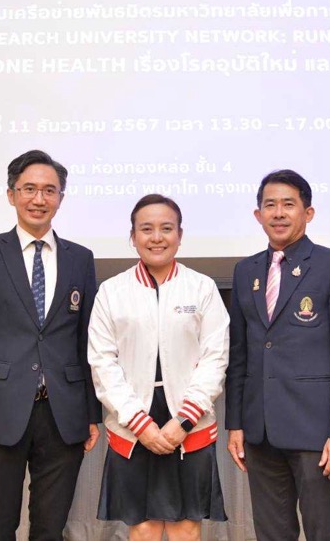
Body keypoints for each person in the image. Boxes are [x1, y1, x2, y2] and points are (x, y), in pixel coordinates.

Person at [0, 150, 101, 541]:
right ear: (11, 194)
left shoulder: (80, 258)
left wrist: (91, 413)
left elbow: (87, 342)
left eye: (49, 190)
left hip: (63, 414)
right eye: (29, 189)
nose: (39, 199)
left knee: (50, 529)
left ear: (60, 198)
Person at [225, 170, 330, 541]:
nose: (278, 213)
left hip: (314, 431)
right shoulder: (245, 271)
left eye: (288, 204)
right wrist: (236, 423)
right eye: (270, 205)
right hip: (259, 431)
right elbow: (239, 353)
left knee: (323, 531)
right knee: (271, 533)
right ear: (258, 215)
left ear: (308, 213)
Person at [88, 194, 229, 541]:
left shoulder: (202, 287)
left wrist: (184, 421)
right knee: (144, 527)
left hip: (190, 421)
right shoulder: (111, 291)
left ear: (180, 235)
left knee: (186, 527)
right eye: (146, 229)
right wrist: (141, 425)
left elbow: (215, 358)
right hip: (132, 424)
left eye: (166, 228)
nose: (156, 237)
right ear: (132, 236)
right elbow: (103, 363)